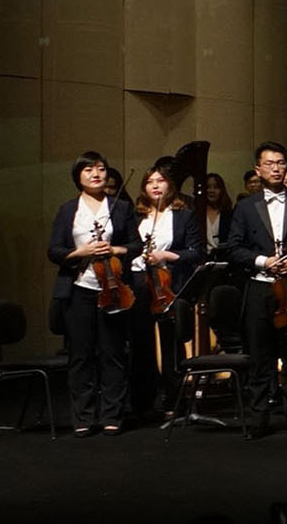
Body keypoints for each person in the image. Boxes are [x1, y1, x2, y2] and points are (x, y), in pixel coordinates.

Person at [227, 142, 287, 439]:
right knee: (260, 356)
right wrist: (263, 261)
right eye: (269, 163)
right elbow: (233, 248)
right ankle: (259, 419)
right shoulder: (245, 206)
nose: (276, 168)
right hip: (260, 288)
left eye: (281, 163)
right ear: (258, 169)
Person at [48, 151, 143, 437]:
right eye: (88, 169)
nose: (96, 174)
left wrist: (114, 249)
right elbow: (54, 251)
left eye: (101, 168)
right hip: (78, 289)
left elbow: (136, 246)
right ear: (78, 176)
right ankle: (84, 416)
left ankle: (112, 414)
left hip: (113, 288)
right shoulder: (68, 210)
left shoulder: (121, 207)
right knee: (81, 354)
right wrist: (81, 252)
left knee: (113, 353)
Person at [128, 161, 204, 421]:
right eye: (150, 182)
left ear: (170, 186)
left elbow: (196, 252)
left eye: (160, 181)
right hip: (139, 283)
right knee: (141, 343)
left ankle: (175, 398)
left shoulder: (183, 215)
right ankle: (144, 401)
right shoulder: (135, 216)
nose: (155, 186)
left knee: (171, 342)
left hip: (170, 282)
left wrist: (166, 255)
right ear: (144, 188)